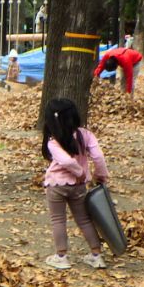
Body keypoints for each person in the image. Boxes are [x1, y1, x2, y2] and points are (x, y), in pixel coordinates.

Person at [41, 97, 109, 271]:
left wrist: (79, 172)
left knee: (58, 220)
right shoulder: (86, 135)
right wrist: (99, 175)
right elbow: (98, 157)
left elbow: (66, 161)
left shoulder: (53, 141)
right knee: (84, 219)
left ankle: (61, 257)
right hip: (78, 187)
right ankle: (96, 256)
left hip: (56, 185)